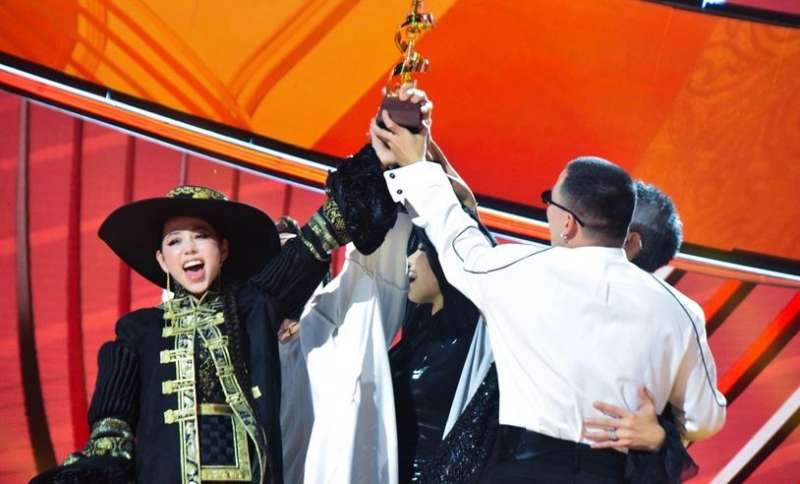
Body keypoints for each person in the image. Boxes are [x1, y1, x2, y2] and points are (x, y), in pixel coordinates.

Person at [372, 109, 726, 482]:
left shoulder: (521, 272)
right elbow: (705, 419)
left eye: (549, 202)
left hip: (523, 470)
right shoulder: (681, 312)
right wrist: (659, 435)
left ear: (568, 223)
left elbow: (456, 236)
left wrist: (417, 165)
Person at [31, 146, 398, 484]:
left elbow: (318, 237)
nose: (189, 248)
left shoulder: (255, 306)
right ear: (162, 260)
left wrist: (379, 159)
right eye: (175, 241)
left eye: (201, 236)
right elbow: (111, 431)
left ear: (222, 249)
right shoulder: (137, 330)